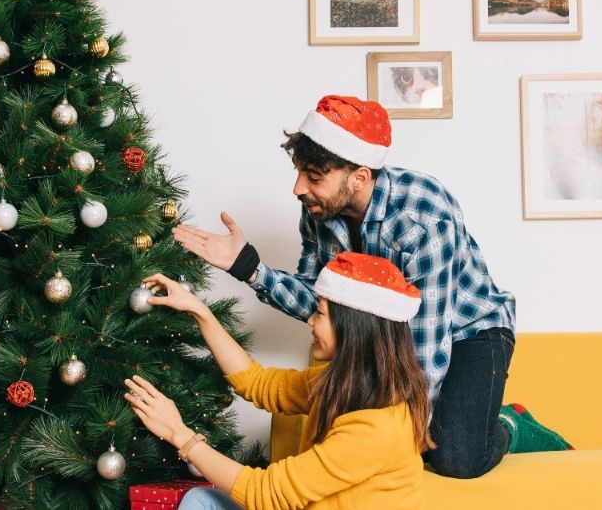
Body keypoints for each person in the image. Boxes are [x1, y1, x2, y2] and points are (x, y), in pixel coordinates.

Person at [172, 95, 571, 479]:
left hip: (470, 329)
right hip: (392, 337)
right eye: (298, 173)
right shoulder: (318, 211)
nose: (298, 188)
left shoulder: (423, 215)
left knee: (455, 458)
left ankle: (511, 423)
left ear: (360, 177)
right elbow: (320, 302)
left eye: (313, 177)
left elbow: (427, 347)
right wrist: (250, 268)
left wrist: (401, 436)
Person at [124, 252, 432, 509]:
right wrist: (199, 311)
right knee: (200, 501)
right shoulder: (343, 383)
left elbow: (266, 492)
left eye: (320, 314)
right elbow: (258, 383)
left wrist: (179, 434)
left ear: (353, 330)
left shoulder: (377, 428)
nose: (311, 321)